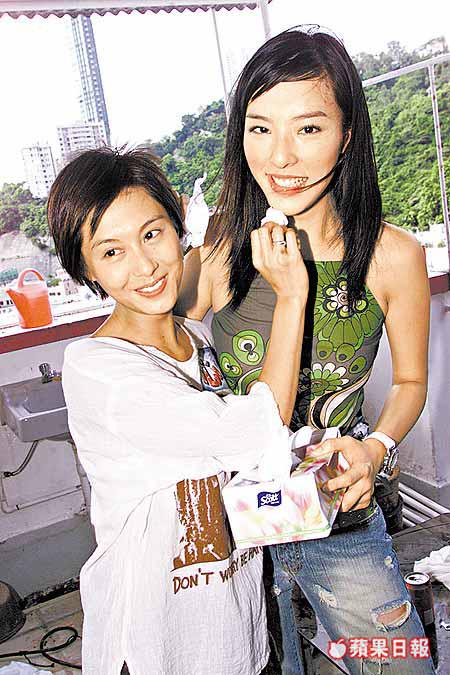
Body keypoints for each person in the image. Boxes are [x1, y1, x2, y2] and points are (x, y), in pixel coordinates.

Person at [177, 26, 434, 675]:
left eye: (308, 128)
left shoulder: (392, 256)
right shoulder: (221, 249)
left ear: (346, 135)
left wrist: (377, 448)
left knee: (400, 666)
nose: (280, 155)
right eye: (260, 128)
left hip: (339, 518)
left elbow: (410, 383)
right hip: (233, 532)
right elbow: (154, 340)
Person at [47, 147, 309, 675]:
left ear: (178, 228)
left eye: (152, 234)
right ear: (85, 268)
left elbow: (234, 463)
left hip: (233, 625)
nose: (145, 266)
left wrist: (315, 456)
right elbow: (254, 430)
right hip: (154, 646)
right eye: (112, 251)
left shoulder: (196, 338)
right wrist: (291, 297)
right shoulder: (98, 370)